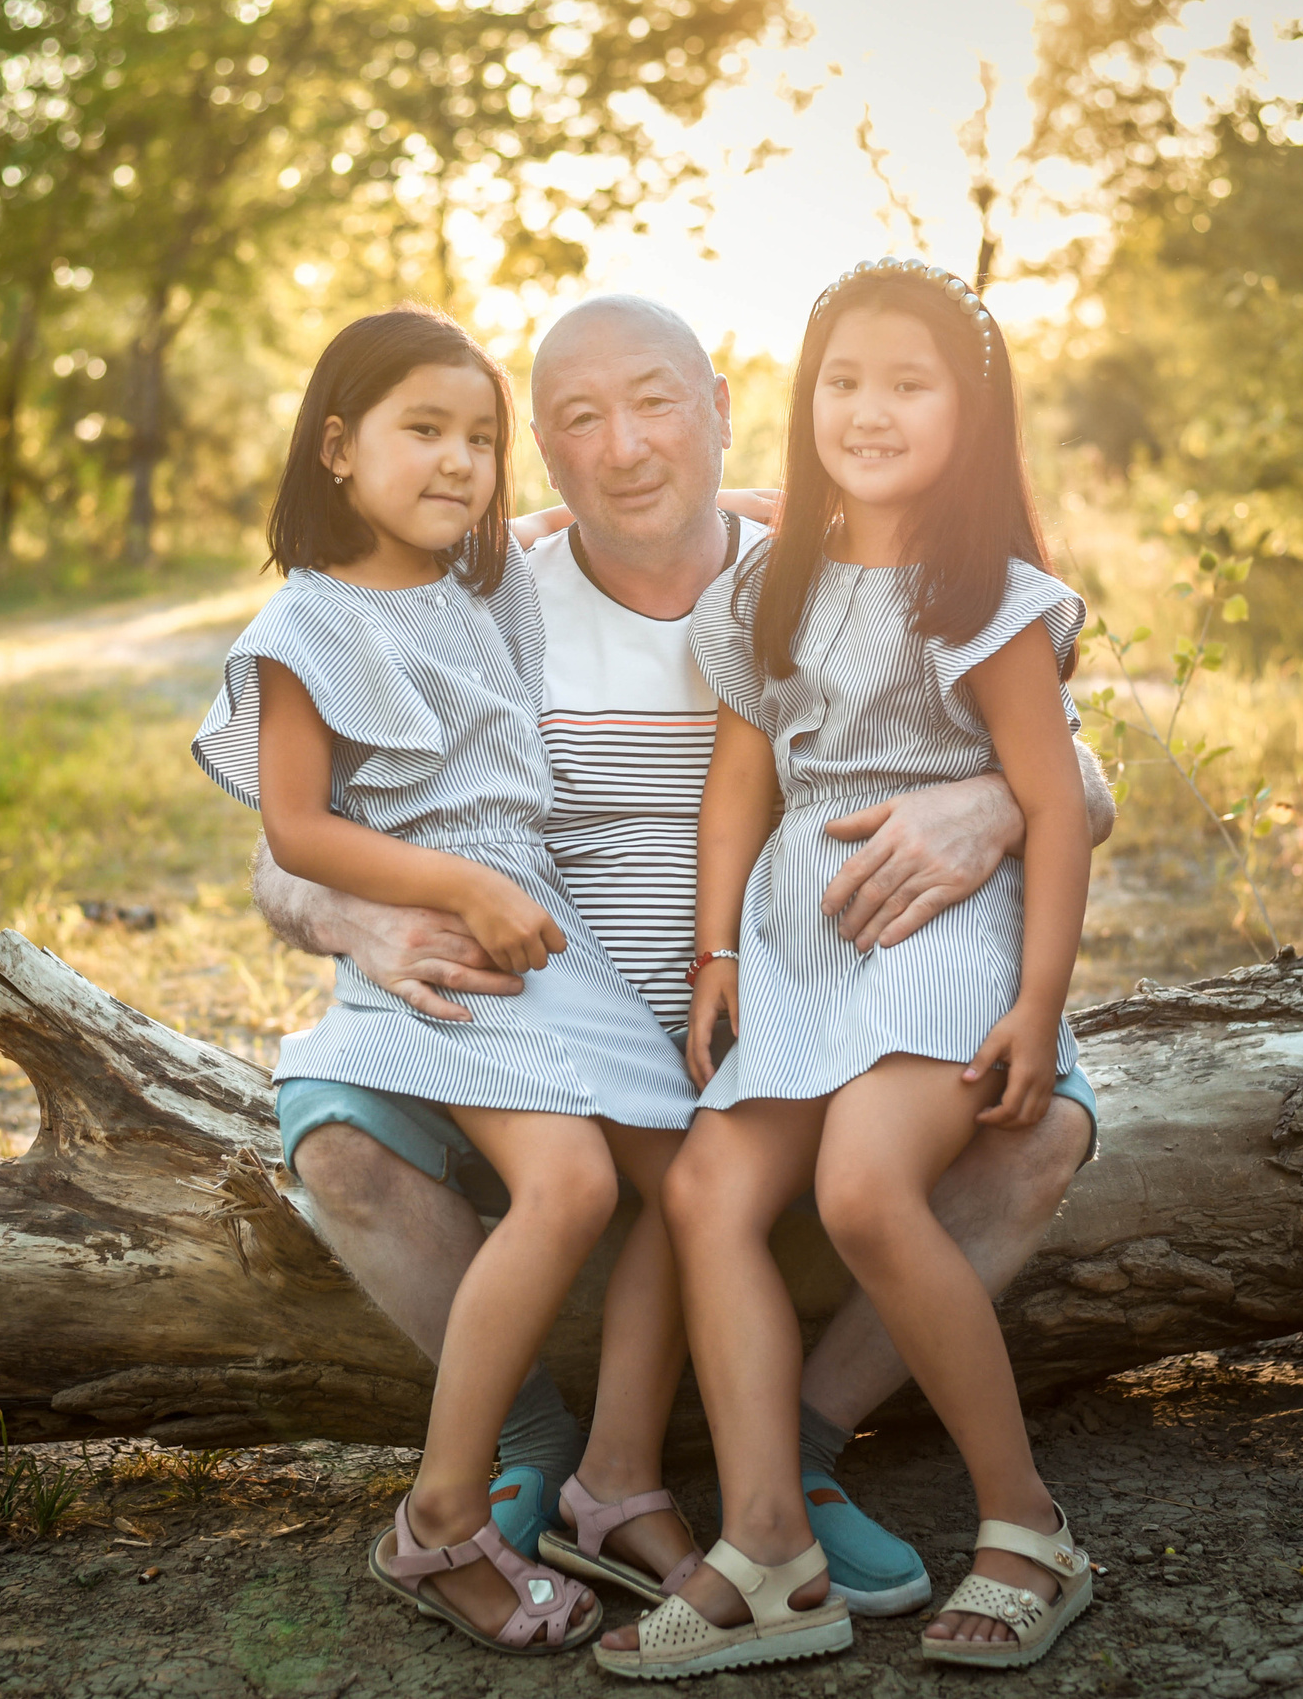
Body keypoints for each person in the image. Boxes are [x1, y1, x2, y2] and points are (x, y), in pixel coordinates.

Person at [253, 293, 1113, 1617]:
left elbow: (1062, 764)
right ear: (538, 448)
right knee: (342, 1146)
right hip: (542, 1008)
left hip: (794, 995)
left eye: (659, 402)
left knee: (1034, 1129)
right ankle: (532, 1446)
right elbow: (294, 837)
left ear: (722, 406)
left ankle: (802, 1455)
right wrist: (358, 916)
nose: (628, 447)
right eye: (580, 421)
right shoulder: (487, 596)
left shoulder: (818, 564)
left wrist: (989, 801)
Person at [597, 260, 1098, 1679]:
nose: (868, 410)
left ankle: (1027, 1527)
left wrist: (1038, 1003)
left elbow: (1053, 805)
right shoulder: (774, 585)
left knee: (865, 1184)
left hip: (945, 933)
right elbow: (734, 789)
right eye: (843, 379)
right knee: (705, 1185)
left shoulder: (986, 593)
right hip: (795, 938)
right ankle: (773, 1550)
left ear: (971, 407)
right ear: (803, 395)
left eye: (908, 382)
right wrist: (710, 951)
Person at [190, 306, 698, 1655]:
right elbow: (298, 829)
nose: (462, 460)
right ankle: (440, 1514)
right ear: (340, 446)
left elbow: (658, 511)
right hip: (450, 928)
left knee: (696, 1178)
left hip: (539, 923)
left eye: (483, 436)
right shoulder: (308, 623)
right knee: (577, 1180)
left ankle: (616, 1476)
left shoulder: (486, 584)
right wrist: (460, 886)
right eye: (427, 430)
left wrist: (808, 505)